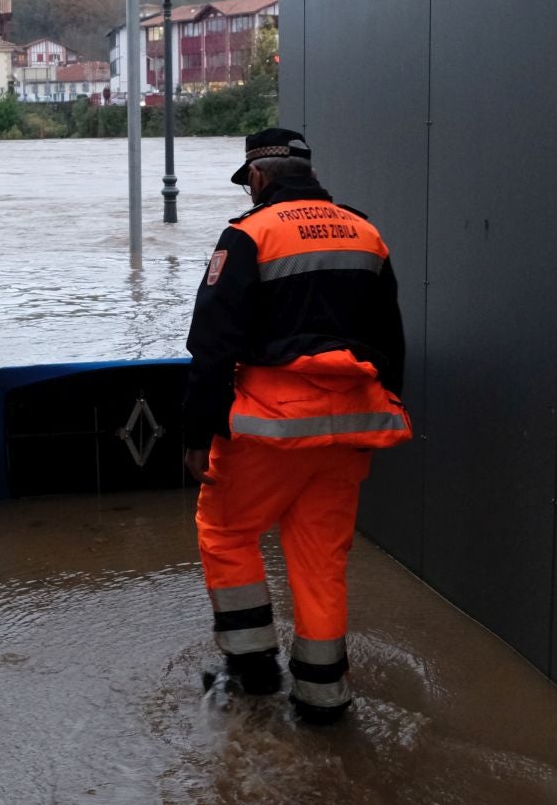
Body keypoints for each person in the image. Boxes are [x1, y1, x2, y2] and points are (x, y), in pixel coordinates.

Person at [182, 128, 412, 723]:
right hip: (351, 428)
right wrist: (382, 409)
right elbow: (392, 340)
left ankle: (254, 672)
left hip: (269, 428)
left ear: (258, 178)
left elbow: (211, 346)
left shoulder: (248, 234)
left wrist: (197, 436)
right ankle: (322, 698)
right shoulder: (366, 233)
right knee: (319, 561)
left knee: (227, 534)